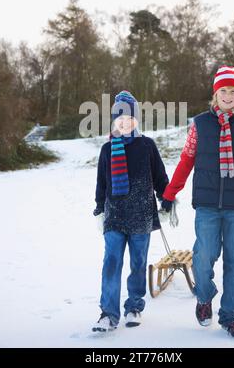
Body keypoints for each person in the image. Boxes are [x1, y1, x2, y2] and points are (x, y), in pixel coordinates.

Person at [161, 66, 234, 341]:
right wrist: (169, 192)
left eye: (233, 91)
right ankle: (204, 297)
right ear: (215, 93)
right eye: (223, 90)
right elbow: (187, 160)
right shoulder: (200, 124)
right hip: (207, 205)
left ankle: (231, 316)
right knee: (202, 257)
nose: (228, 95)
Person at [92, 90, 169, 332]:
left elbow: (160, 177)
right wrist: (98, 210)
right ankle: (108, 314)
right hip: (114, 214)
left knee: (138, 263)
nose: (124, 122)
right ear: (114, 121)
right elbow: (101, 183)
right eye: (120, 118)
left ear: (137, 119)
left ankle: (134, 306)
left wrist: (166, 200)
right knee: (112, 262)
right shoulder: (107, 149)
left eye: (129, 118)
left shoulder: (147, 146)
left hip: (141, 215)